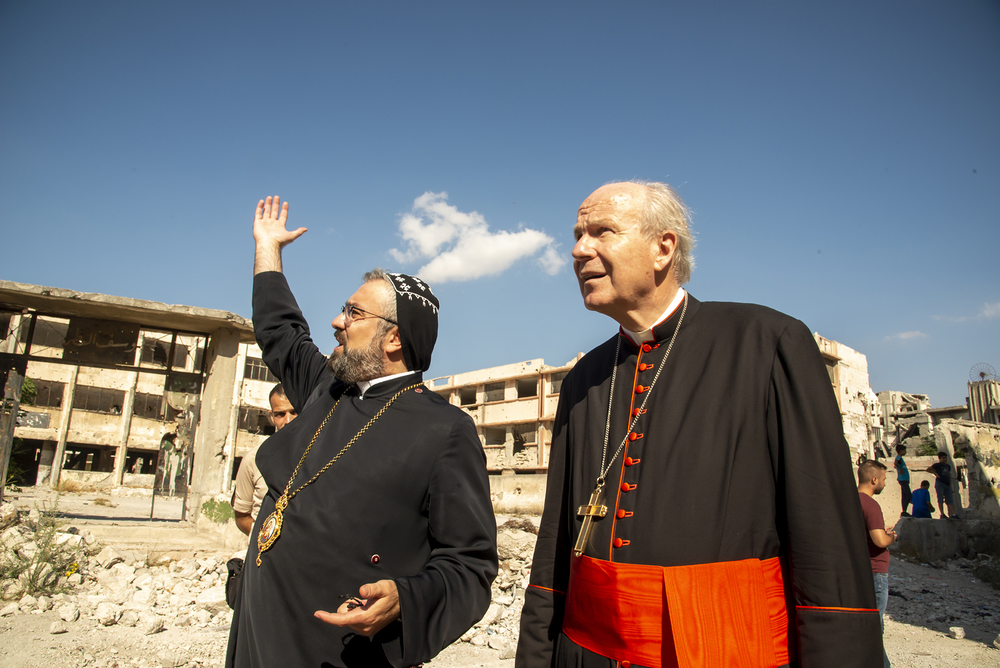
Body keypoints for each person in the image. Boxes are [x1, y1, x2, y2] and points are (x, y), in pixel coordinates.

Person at [517, 181, 883, 668]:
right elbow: (555, 547)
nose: (578, 249)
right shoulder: (585, 377)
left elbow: (826, 546)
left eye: (601, 231)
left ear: (662, 248)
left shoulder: (767, 344)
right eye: (578, 235)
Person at [226, 196, 498, 668]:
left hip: (335, 651)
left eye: (353, 313)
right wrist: (268, 248)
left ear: (393, 337)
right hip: (257, 627)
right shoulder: (325, 387)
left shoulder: (445, 429)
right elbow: (280, 330)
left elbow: (470, 564)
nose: (337, 322)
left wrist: (406, 599)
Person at [231, 384, 298, 536]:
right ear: (271, 416)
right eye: (280, 414)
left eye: (294, 412)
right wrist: (265, 541)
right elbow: (242, 516)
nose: (288, 420)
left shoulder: (318, 458)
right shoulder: (253, 460)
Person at [858, 459, 896, 668]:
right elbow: (879, 541)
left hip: (858, 571)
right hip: (875, 572)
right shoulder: (870, 504)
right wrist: (891, 537)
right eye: (883, 479)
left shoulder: (848, 501)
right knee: (875, 627)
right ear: (874, 479)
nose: (884, 483)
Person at [926, 452, 958, 519]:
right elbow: (928, 469)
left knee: (949, 499)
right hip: (940, 483)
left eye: (945, 458)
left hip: (947, 484)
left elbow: (949, 476)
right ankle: (942, 514)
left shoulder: (948, 466)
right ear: (940, 458)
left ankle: (954, 514)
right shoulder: (937, 465)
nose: (945, 459)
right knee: (940, 499)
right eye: (943, 458)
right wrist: (935, 473)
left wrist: (951, 486)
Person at [894, 444, 911, 516]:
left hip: (904, 479)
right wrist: (900, 470)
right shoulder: (898, 457)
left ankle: (904, 510)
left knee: (904, 495)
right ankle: (904, 511)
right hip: (903, 479)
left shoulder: (900, 458)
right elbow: (896, 463)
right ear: (901, 451)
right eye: (904, 450)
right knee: (909, 495)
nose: (905, 452)